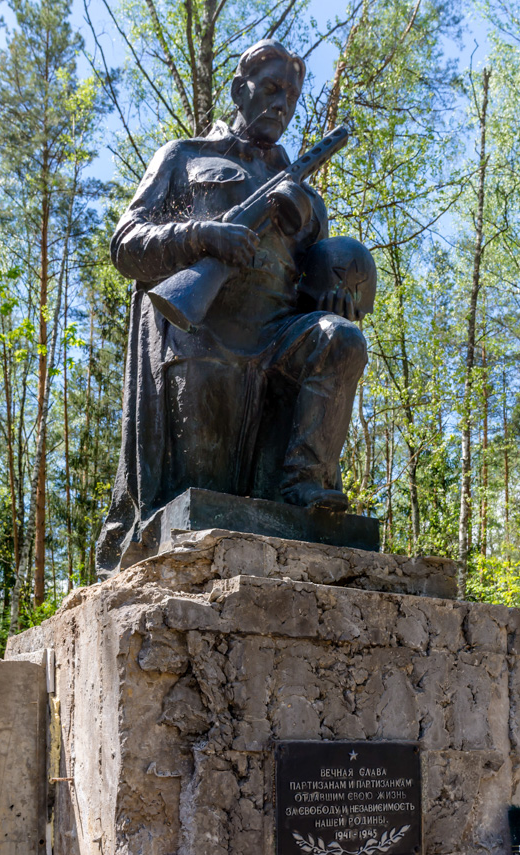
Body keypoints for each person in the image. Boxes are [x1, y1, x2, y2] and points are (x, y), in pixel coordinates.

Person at [95, 38, 376, 575]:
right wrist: (203, 236)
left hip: (277, 338)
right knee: (199, 500)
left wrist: (337, 295)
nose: (281, 105)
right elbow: (126, 244)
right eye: (271, 89)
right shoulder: (183, 156)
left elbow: (320, 277)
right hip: (198, 334)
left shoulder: (305, 194)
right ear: (237, 90)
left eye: (291, 98)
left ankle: (303, 487)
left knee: (341, 339)